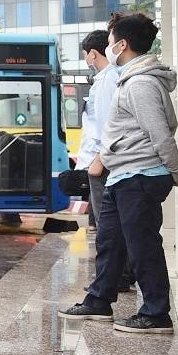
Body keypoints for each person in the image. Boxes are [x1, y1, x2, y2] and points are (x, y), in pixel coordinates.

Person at [60, 12, 178, 334]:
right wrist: (105, 158)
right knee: (110, 240)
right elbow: (120, 130)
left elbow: (159, 132)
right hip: (124, 174)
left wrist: (176, 168)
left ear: (122, 44)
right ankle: (99, 300)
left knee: (142, 244)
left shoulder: (141, 83)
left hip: (141, 174)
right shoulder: (129, 79)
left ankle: (156, 313)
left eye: (109, 43)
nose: (107, 50)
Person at [76, 30, 133, 290]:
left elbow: (110, 124)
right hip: (99, 160)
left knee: (106, 223)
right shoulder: (104, 78)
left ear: (92, 53)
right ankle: (116, 275)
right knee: (107, 222)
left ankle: (115, 277)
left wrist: (98, 160)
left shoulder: (109, 79)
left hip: (103, 162)